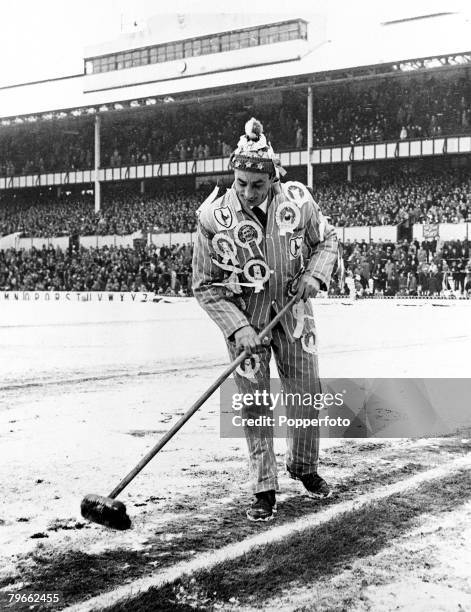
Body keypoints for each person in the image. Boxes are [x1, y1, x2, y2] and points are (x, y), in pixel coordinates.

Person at [192, 117, 339, 522]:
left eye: (257, 185)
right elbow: (205, 284)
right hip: (246, 320)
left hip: (294, 316)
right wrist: (239, 328)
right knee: (255, 404)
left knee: (307, 391)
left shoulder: (299, 199)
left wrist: (314, 272)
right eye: (241, 183)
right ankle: (264, 488)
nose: (248, 192)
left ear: (273, 178)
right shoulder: (212, 218)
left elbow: (327, 239)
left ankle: (305, 467)